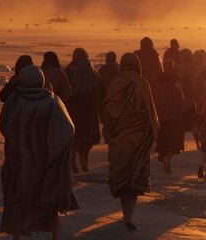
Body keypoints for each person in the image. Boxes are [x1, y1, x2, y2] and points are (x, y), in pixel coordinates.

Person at [0, 65, 77, 240]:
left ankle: (17, 237)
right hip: (44, 164)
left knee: (18, 202)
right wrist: (52, 151)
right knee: (50, 205)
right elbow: (67, 129)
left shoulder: (14, 100)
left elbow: (4, 124)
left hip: (18, 162)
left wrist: (18, 141)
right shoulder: (52, 101)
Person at [104, 53, 160, 231]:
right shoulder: (143, 83)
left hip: (120, 137)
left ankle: (125, 213)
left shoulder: (115, 83)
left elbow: (109, 112)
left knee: (122, 174)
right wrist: (155, 134)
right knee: (134, 176)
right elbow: (151, 112)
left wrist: (109, 132)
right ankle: (129, 215)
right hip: (140, 138)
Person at [64, 48, 103, 173]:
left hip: (73, 107)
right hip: (90, 109)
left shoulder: (69, 69)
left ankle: (73, 161)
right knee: (88, 135)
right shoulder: (92, 71)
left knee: (74, 135)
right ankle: (84, 158)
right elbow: (101, 88)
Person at [154, 59, 193, 174]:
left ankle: (165, 160)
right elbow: (182, 104)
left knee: (163, 144)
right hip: (174, 120)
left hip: (160, 121)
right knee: (175, 144)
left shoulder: (156, 90)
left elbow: (153, 106)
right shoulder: (176, 90)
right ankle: (168, 159)